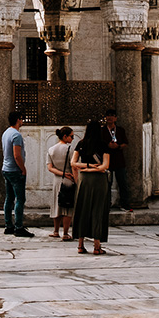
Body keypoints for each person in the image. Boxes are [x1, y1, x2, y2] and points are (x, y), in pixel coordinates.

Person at [71, 119, 110, 254]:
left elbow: (73, 163)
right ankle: (97, 246)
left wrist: (86, 168)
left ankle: (80, 245)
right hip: (99, 180)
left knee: (82, 209)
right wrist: (93, 168)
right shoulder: (103, 145)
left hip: (84, 180)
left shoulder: (81, 144)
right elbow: (105, 166)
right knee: (98, 210)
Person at [1, 111, 33, 237]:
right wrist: (23, 169)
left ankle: (9, 225)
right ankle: (19, 227)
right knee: (20, 199)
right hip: (15, 170)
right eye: (22, 119)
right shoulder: (16, 135)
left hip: (6, 169)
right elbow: (17, 155)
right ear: (18, 120)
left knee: (9, 198)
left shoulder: (6, 133)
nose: (23, 121)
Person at [47, 126, 76, 239]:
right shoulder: (70, 149)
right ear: (65, 136)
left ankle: (55, 231)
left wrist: (60, 173)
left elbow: (50, 168)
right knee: (67, 207)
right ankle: (65, 233)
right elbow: (73, 166)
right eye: (71, 136)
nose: (72, 139)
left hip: (57, 180)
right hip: (68, 180)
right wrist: (73, 178)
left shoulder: (51, 149)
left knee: (57, 205)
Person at [100, 109, 130, 211]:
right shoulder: (102, 130)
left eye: (112, 116)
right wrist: (108, 145)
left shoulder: (120, 130)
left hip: (119, 159)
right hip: (107, 160)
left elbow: (126, 143)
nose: (110, 118)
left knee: (123, 183)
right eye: (108, 116)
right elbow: (99, 144)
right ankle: (106, 204)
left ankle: (124, 203)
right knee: (106, 184)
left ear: (116, 118)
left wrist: (118, 146)